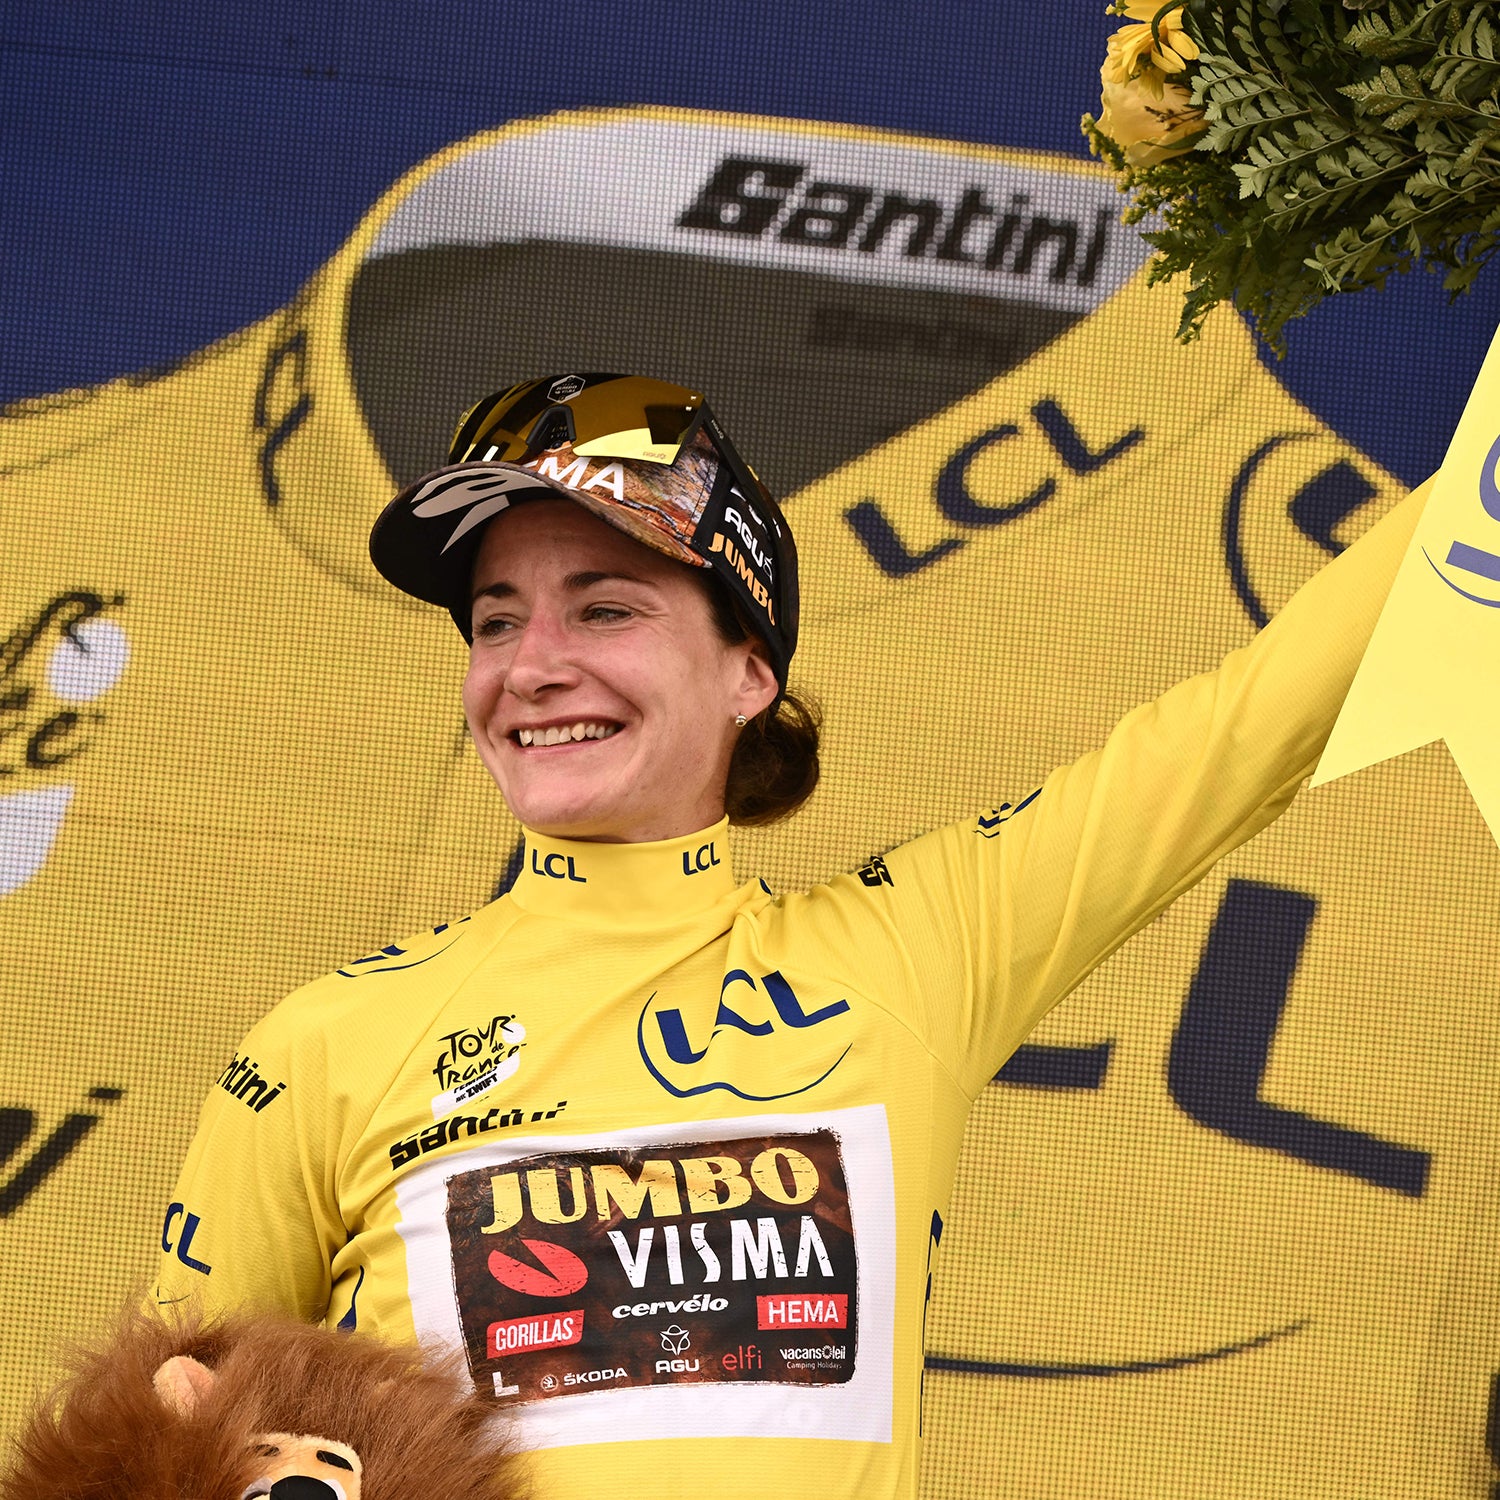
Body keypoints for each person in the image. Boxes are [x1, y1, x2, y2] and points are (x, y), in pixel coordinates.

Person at [157, 371, 1425, 1500]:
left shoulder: (911, 952)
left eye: (604, 610)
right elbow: (158, 1441)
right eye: (495, 619)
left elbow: (1256, 720)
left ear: (748, 668)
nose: (530, 665)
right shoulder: (328, 1039)